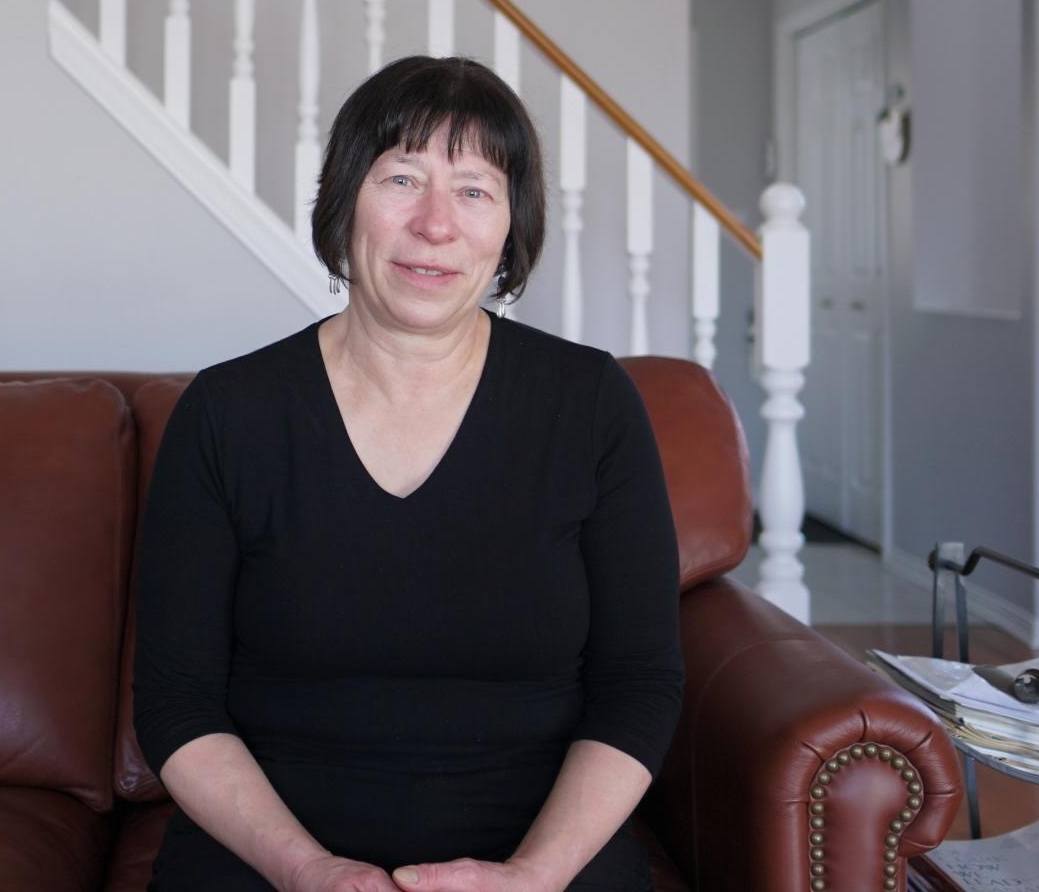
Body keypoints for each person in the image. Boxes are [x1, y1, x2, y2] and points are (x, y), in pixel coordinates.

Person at [133, 55, 683, 892]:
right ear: (344, 200)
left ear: (510, 224)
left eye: (473, 189)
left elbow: (639, 685)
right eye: (401, 179)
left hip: (539, 850)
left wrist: (534, 877)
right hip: (271, 852)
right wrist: (308, 871)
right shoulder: (228, 413)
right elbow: (177, 701)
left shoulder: (590, 403)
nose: (436, 224)